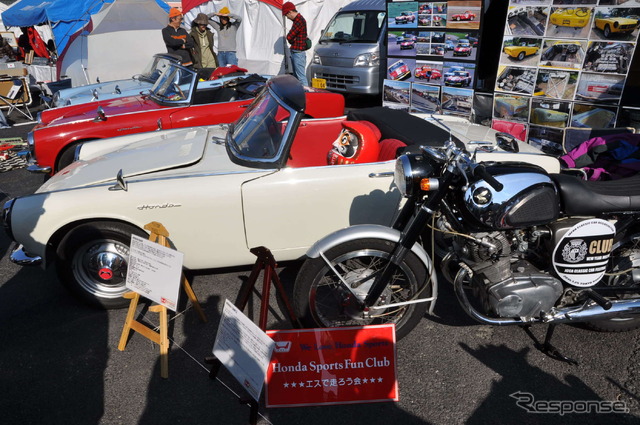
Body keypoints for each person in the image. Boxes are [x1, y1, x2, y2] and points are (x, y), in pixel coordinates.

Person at [283, 2, 309, 86]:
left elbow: (289, 37)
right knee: (297, 78)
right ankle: (302, 96)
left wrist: (291, 39)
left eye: (286, 15)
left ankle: (307, 96)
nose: (287, 17)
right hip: (297, 52)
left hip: (298, 53)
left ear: (290, 12)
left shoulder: (299, 20)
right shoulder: (298, 20)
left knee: (301, 78)